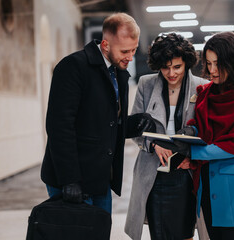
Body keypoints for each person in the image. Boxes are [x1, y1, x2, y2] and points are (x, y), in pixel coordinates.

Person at [40, 12, 155, 216]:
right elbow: (59, 127)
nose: (130, 57)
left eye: (134, 50)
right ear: (105, 45)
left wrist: (133, 123)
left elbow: (106, 124)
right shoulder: (73, 67)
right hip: (72, 180)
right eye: (125, 51)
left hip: (100, 178)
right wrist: (70, 179)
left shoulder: (118, 73)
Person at [155, 31, 234, 240]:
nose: (212, 71)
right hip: (206, 185)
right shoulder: (205, 92)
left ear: (233, 62)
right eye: (208, 63)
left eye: (218, 64)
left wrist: (193, 151)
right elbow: (201, 126)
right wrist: (190, 131)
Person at [125, 33, 208, 240]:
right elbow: (135, 129)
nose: (171, 73)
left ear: (186, 63)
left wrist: (194, 157)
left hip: (186, 174)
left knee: (185, 232)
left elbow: (207, 132)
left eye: (177, 67)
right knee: (159, 233)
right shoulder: (146, 84)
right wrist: (153, 145)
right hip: (154, 173)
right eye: (165, 67)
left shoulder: (202, 86)